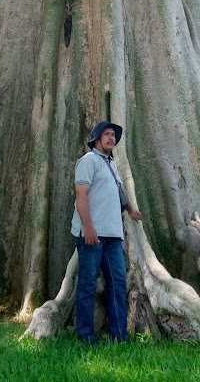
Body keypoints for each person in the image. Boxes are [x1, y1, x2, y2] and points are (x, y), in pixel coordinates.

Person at [71, 120, 142, 343]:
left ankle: (119, 335)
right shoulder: (88, 161)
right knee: (87, 285)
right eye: (108, 134)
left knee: (117, 284)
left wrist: (131, 210)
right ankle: (85, 336)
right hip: (92, 235)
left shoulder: (111, 164)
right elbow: (81, 197)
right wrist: (88, 228)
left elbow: (118, 191)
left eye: (114, 135)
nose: (112, 138)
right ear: (97, 138)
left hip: (113, 237)